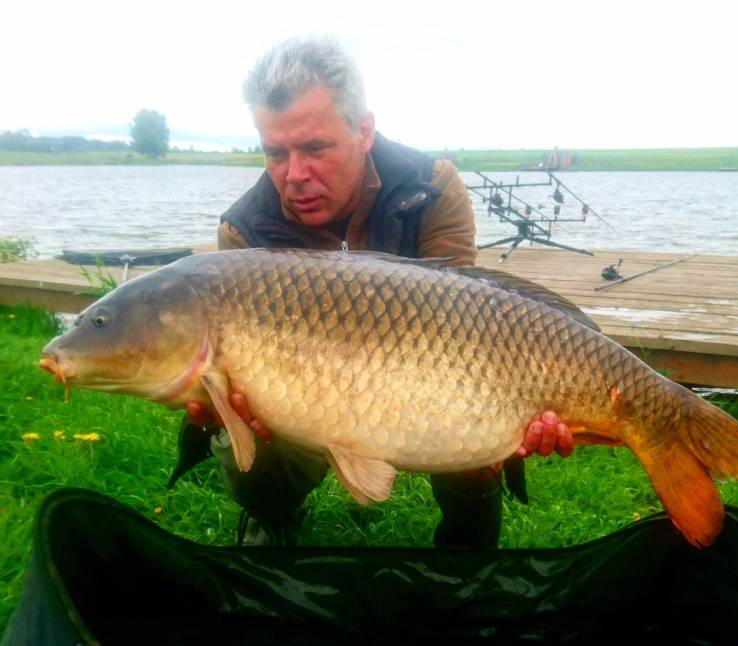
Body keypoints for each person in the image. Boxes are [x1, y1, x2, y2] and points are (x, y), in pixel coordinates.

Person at [180, 37, 574, 549]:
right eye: (276, 153)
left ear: (363, 131)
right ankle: (273, 514)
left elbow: (475, 328)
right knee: (251, 425)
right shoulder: (243, 230)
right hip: (300, 386)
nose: (295, 176)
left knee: (479, 415)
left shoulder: (430, 187)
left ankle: (468, 554)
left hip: (431, 368)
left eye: (316, 148)